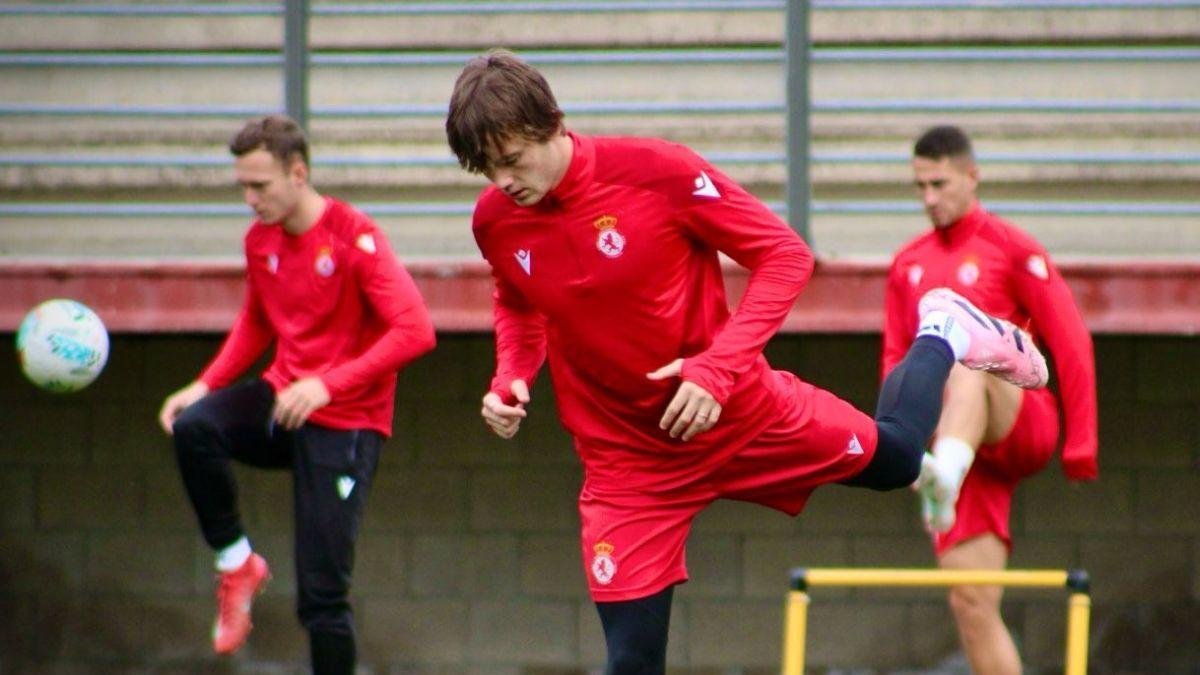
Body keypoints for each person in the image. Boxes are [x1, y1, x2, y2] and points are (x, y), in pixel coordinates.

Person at [445, 50, 1052, 675]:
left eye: (512, 161)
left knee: (899, 459)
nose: (502, 183)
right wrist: (511, 377)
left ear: (552, 123)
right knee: (630, 661)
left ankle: (944, 330)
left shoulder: (659, 172)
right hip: (627, 463)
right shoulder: (496, 221)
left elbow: (786, 257)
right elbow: (516, 300)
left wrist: (715, 369)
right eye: (485, 170)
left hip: (741, 413)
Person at [157, 114, 436, 672]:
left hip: (348, 426)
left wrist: (328, 385)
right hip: (283, 402)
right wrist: (204, 384)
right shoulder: (260, 241)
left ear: (299, 173)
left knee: (322, 598)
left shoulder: (356, 237)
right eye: (242, 186)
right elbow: (257, 321)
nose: (250, 198)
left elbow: (416, 331)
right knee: (195, 427)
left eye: (259, 186)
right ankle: (237, 564)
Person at [883, 125, 1098, 675]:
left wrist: (1083, 442)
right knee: (970, 603)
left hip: (1019, 415)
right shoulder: (907, 264)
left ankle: (945, 472)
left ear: (971, 176)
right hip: (962, 449)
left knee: (965, 355)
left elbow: (1070, 336)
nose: (930, 199)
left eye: (939, 183)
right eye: (920, 187)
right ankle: (943, 473)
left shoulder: (1010, 246)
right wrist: (897, 446)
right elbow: (896, 363)